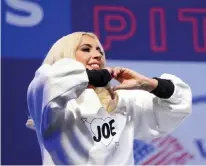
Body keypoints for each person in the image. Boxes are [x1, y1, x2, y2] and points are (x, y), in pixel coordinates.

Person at [27, 32, 192, 165]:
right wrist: (100, 75)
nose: (97, 55)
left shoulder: (121, 101)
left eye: (100, 51)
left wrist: (148, 84)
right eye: (86, 49)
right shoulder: (52, 107)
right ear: (66, 56)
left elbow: (178, 104)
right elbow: (49, 81)